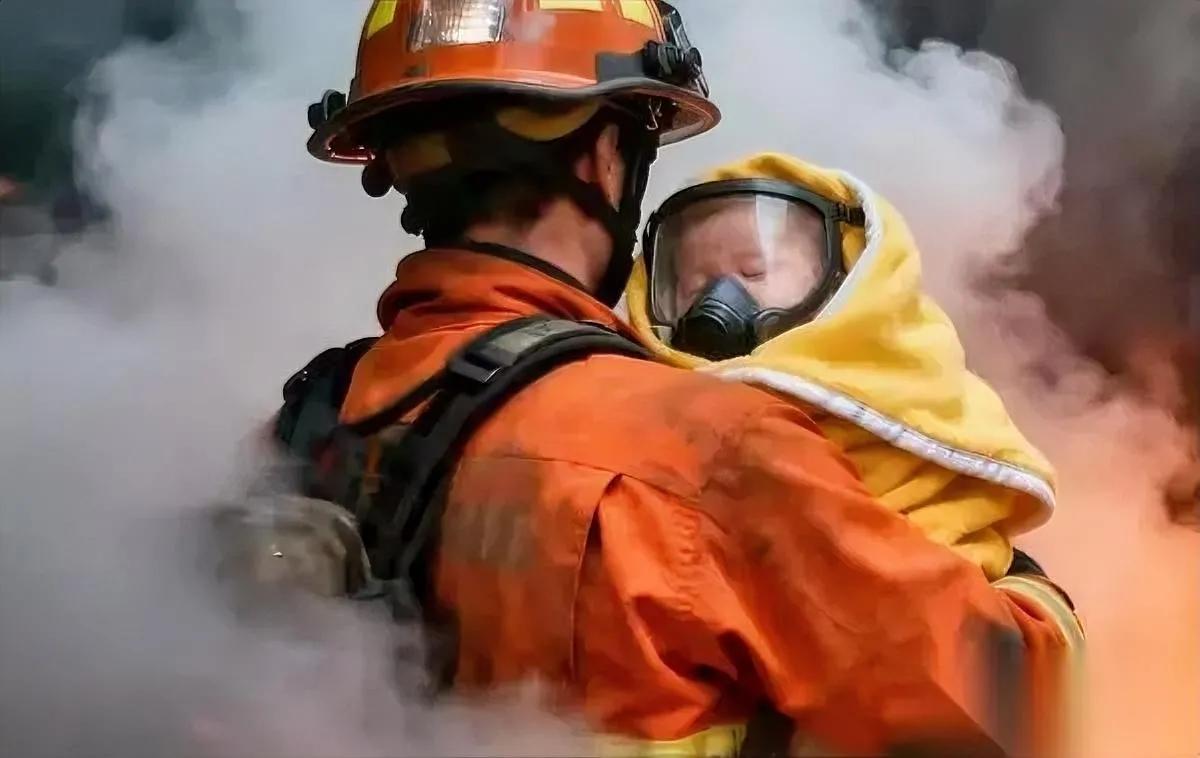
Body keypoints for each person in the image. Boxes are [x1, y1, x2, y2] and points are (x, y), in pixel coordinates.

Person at [274, 1, 1082, 755]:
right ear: (602, 155)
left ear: (400, 162)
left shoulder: (303, 422)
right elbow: (998, 715)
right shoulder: (707, 456)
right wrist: (1027, 591)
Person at [625, 152, 1058, 581]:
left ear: (840, 274)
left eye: (754, 271)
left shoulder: (908, 375)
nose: (720, 296)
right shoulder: (652, 413)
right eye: (696, 283)